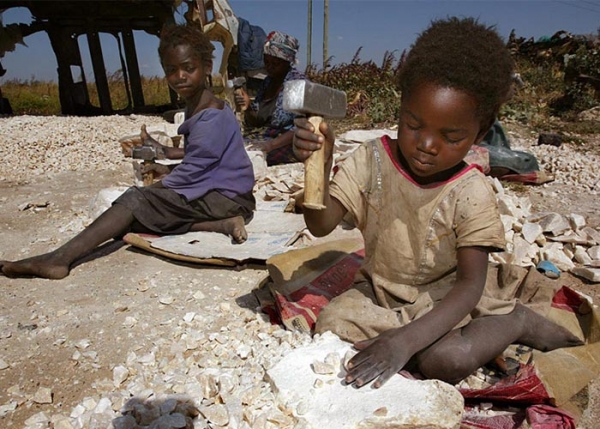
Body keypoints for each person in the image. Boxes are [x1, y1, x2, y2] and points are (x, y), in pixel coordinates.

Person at [292, 17, 582, 388]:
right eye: (413, 124)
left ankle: (516, 320)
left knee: (446, 360)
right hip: (380, 293)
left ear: (481, 129)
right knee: (333, 324)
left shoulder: (470, 191)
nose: (427, 144)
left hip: (447, 300)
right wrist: (320, 163)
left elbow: (469, 286)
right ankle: (406, 342)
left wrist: (403, 342)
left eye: (451, 135)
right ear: (401, 104)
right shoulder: (371, 161)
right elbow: (320, 225)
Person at [0, 23, 255, 280]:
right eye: (171, 70)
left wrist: (151, 191)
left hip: (228, 198)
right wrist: (166, 168)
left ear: (207, 67)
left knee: (134, 202)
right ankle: (221, 224)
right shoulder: (197, 105)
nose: (180, 76)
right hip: (226, 196)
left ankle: (59, 259)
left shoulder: (210, 115)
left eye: (189, 68)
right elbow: (203, 160)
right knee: (132, 219)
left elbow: (195, 169)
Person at [234, 30, 308, 166]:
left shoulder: (297, 84)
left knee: (245, 157)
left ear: (287, 62)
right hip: (266, 136)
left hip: (288, 142)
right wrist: (248, 106)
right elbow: (257, 121)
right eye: (267, 62)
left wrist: (269, 145)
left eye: (275, 63)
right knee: (230, 147)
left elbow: (301, 128)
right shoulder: (268, 82)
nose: (269, 67)